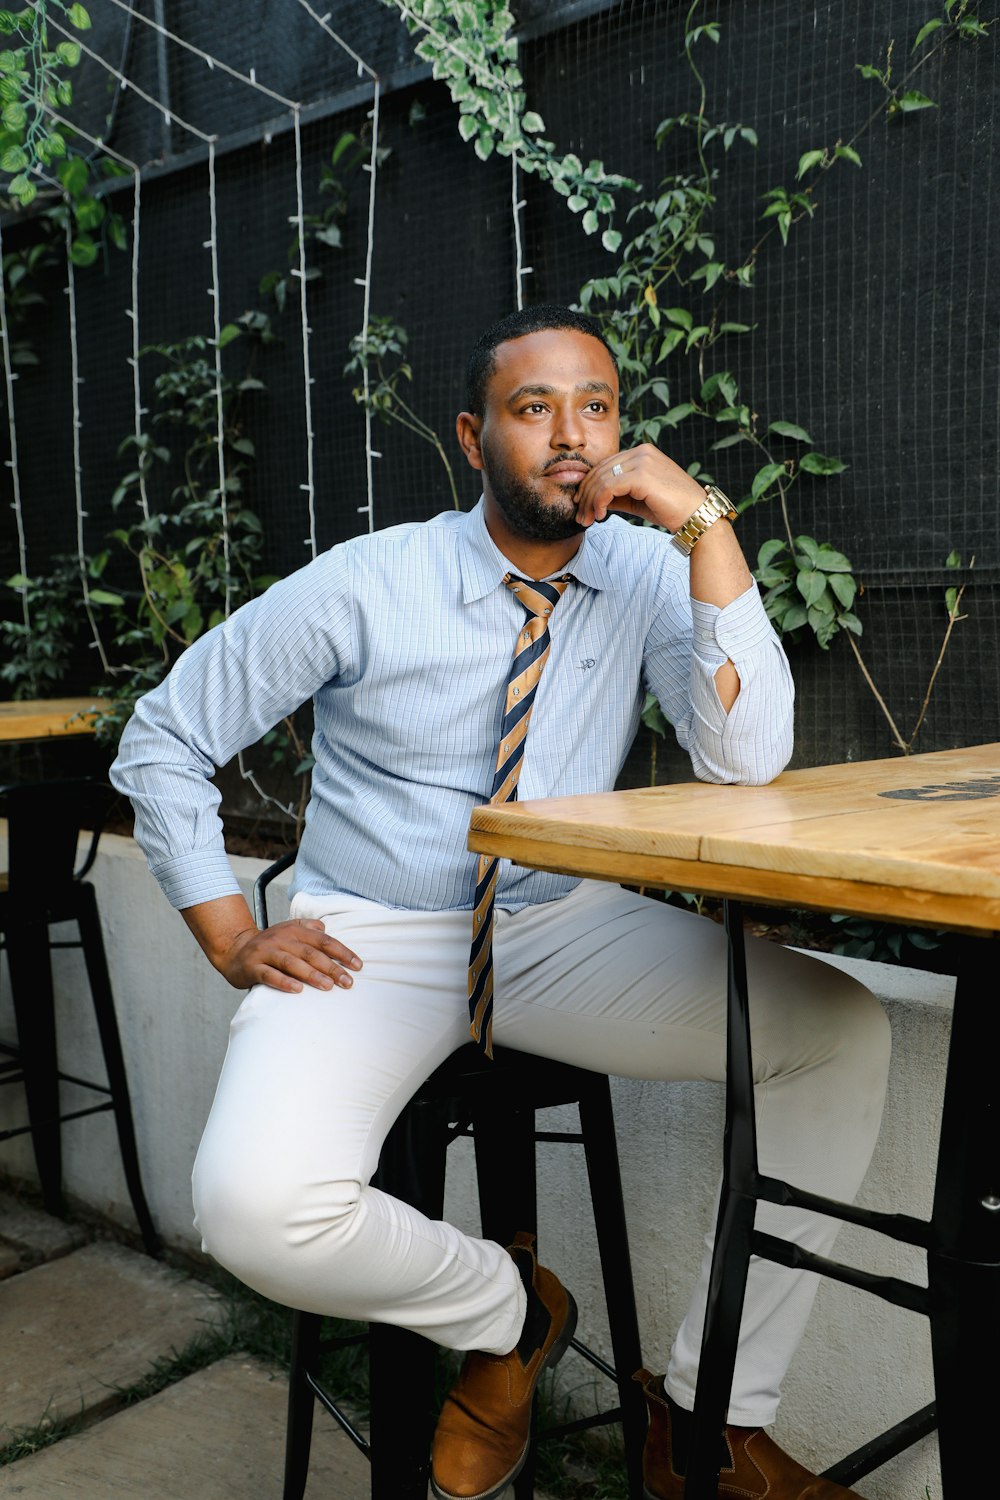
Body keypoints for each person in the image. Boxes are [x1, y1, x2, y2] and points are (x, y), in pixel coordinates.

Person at [111, 305, 890, 1500]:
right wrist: (226, 928)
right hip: (373, 936)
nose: (572, 437)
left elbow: (745, 757)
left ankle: (710, 1425)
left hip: (561, 929)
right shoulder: (371, 581)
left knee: (840, 1032)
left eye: (597, 408)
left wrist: (703, 527)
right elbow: (165, 734)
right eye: (536, 411)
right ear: (475, 439)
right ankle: (507, 1309)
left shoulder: (641, 572)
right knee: (252, 1209)